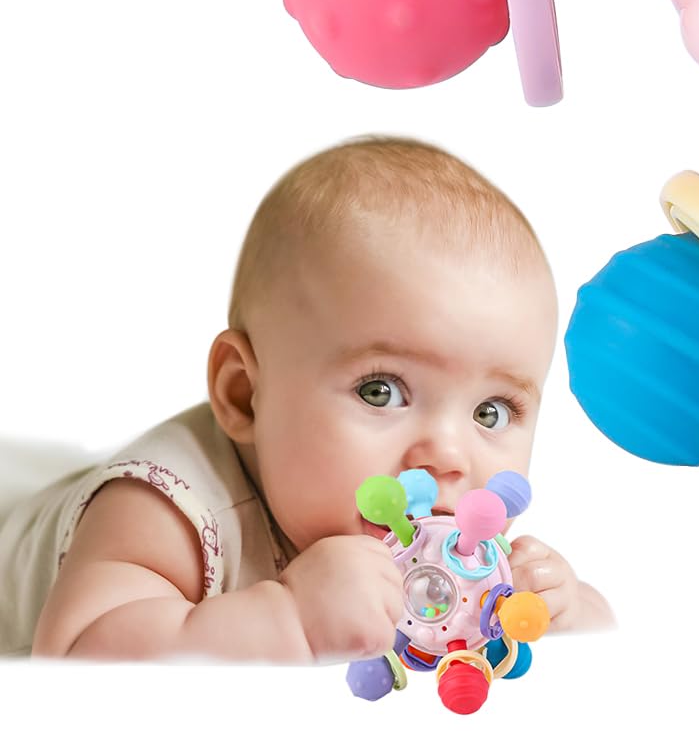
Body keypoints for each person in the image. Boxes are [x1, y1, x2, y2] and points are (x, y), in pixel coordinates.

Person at [1, 136, 612, 660]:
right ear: (245, 394)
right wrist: (289, 615)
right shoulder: (167, 513)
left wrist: (563, 610)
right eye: (381, 391)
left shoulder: (460, 549)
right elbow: (76, 656)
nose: (450, 456)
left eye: (490, 412)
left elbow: (602, 639)